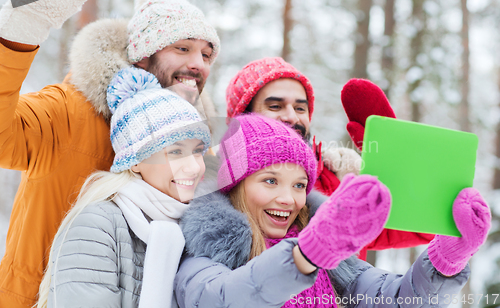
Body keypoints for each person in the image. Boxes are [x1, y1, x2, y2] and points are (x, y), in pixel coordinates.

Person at [0, 0, 220, 306]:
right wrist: (26, 25)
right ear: (143, 58)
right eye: (183, 48)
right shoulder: (69, 111)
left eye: (206, 54)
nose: (198, 63)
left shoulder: (198, 149)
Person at [175, 113, 490, 307]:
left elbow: (393, 300)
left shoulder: (331, 257)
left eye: (299, 185)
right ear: (235, 184)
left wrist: (446, 259)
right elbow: (224, 299)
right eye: (270, 181)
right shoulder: (204, 253)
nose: (288, 199)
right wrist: (305, 255)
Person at [225, 57, 435, 260]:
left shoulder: (335, 185)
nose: (291, 117)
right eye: (275, 106)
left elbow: (426, 226)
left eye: (300, 108)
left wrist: (395, 165)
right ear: (243, 117)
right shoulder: (221, 189)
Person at [36, 66, 211, 308]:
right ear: (136, 160)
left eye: (198, 151)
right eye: (175, 152)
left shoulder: (201, 226)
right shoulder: (97, 226)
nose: (193, 168)